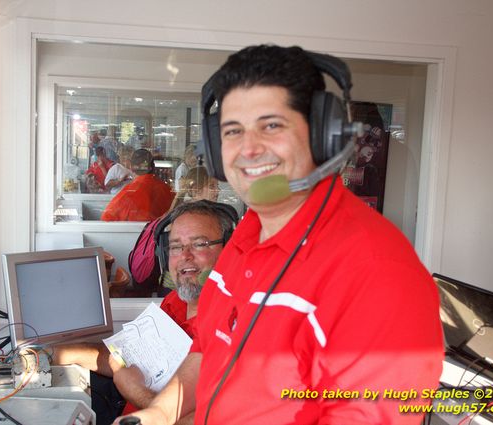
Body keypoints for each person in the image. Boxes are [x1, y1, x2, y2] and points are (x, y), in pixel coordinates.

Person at [119, 45, 444, 425]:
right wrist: (156, 415)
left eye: (271, 125)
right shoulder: (241, 238)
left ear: (322, 134)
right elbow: (209, 350)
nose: (249, 150)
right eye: (232, 131)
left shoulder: (379, 275)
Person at [53, 200, 238, 424]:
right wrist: (55, 354)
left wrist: (135, 391)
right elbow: (123, 358)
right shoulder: (176, 302)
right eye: (176, 246)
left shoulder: (234, 326)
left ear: (229, 250)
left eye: (199, 244)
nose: (185, 255)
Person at [101, 149, 175, 221]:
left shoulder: (128, 193)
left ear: (131, 167)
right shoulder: (167, 190)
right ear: (153, 167)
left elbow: (106, 218)